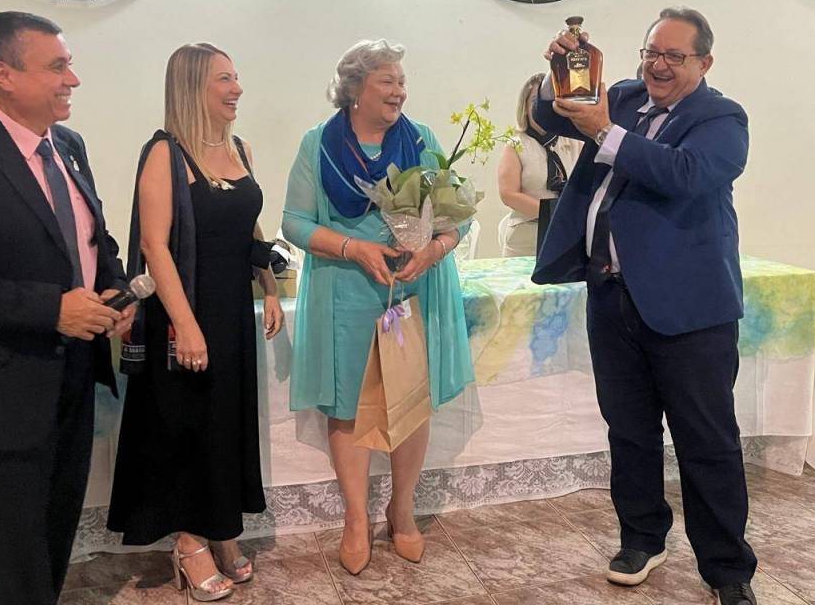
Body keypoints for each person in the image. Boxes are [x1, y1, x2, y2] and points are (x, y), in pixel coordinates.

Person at [533, 7, 758, 605]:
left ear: (704, 63)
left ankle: (727, 570)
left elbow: (683, 174)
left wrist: (606, 132)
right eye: (651, 52)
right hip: (611, 296)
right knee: (629, 430)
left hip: (690, 310)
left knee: (706, 440)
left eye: (674, 56)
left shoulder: (722, 118)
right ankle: (641, 537)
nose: (658, 65)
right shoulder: (625, 98)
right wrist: (562, 75)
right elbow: (548, 116)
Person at [0, 12, 135, 605]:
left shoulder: (68, 146)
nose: (73, 79)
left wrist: (116, 290)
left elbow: (94, 239)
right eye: (57, 66)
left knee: (56, 529)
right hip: (1, 386)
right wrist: (51, 309)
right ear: (4, 74)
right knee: (15, 551)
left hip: (75, 372)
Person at [282, 39, 474, 575]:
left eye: (401, 81)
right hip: (344, 296)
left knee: (410, 403)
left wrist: (434, 249)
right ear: (355, 88)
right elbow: (293, 222)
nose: (399, 91)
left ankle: (402, 510)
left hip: (413, 292)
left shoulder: (423, 139)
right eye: (387, 81)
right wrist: (354, 247)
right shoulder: (317, 144)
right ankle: (355, 519)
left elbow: (458, 218)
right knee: (347, 408)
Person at [107, 43, 283, 601]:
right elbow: (154, 246)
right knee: (188, 427)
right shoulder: (166, 153)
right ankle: (189, 541)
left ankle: (221, 526)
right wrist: (185, 325)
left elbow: (249, 229)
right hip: (184, 312)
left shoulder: (240, 148)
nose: (236, 89)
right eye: (223, 80)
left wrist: (270, 287)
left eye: (236, 77)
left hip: (232, 311)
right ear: (191, 87)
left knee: (225, 423)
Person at [497, 72, 580, 257]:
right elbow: (509, 194)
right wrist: (552, 214)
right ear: (525, 108)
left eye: (550, 102)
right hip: (526, 235)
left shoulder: (575, 141)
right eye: (536, 102)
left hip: (567, 233)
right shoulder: (516, 145)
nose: (543, 109)